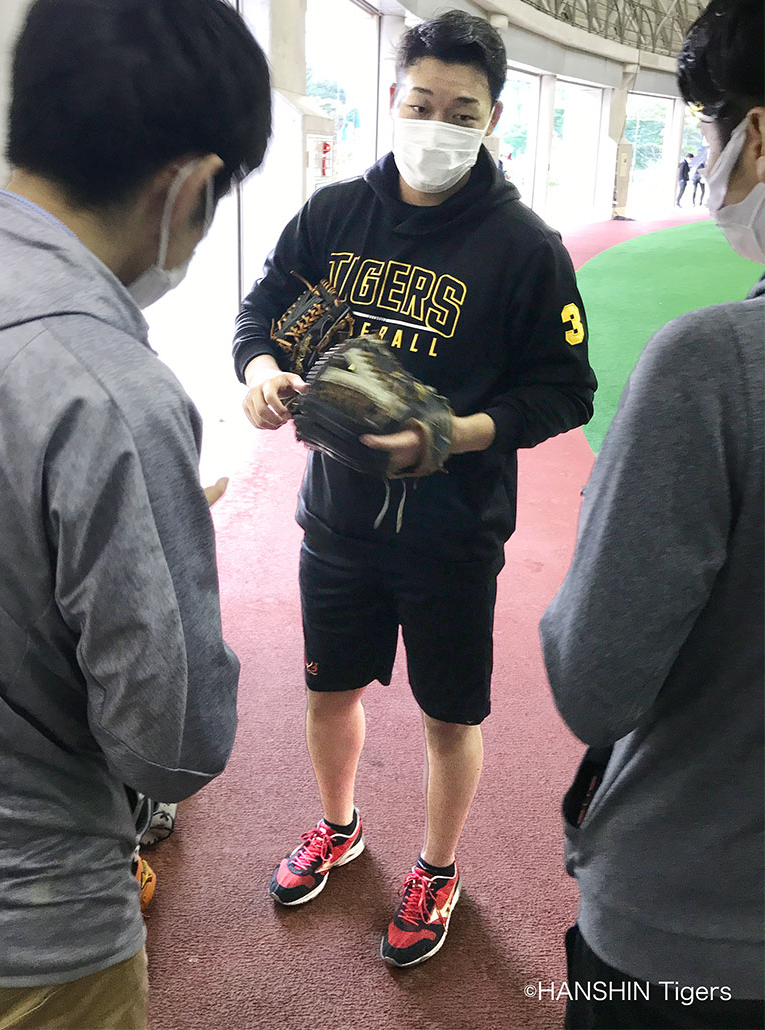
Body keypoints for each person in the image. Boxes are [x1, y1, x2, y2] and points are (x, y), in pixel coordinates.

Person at [0, 1, 270, 1027]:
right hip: (20, 948)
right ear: (187, 187)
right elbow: (172, 747)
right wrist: (166, 553)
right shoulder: (109, 395)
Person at [233, 11, 596, 969]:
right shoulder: (333, 216)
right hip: (338, 522)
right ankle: (339, 825)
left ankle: (437, 869)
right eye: (422, 103)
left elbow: (567, 390)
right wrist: (261, 372)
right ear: (395, 100)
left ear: (493, 117)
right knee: (329, 692)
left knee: (449, 717)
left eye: (462, 111)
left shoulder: (524, 247)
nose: (438, 124)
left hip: (452, 535)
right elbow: (262, 311)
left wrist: (456, 434)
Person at [540, 0, 764, 1026]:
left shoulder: (711, 368)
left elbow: (594, 682)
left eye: (711, 136)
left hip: (690, 931)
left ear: (754, 135)